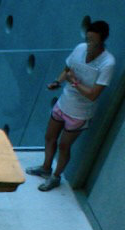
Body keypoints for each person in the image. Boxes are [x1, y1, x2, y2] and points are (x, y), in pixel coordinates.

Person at [27, 20, 115, 192]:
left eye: (93, 42)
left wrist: (74, 82)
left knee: (64, 146)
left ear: (102, 41)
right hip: (63, 103)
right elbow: (67, 70)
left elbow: (93, 95)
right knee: (49, 137)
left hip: (80, 113)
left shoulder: (108, 63)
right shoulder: (80, 48)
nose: (89, 44)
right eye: (88, 39)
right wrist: (57, 82)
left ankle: (56, 177)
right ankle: (45, 168)